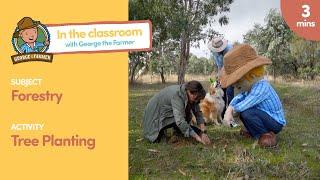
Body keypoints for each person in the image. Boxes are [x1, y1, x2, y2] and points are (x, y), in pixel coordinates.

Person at [220, 44, 286, 148]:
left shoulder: (261, 87)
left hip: (275, 122)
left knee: (247, 113)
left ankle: (266, 135)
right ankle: (254, 133)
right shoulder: (250, 86)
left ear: (250, 75)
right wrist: (230, 107)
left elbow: (245, 104)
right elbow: (240, 97)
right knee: (245, 113)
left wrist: (230, 111)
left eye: (237, 82)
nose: (235, 86)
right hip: (264, 116)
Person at [143, 80, 211, 145]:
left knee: (185, 111)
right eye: (196, 99)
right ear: (190, 93)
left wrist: (202, 131)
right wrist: (197, 137)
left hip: (165, 110)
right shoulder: (177, 96)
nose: (196, 101)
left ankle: (179, 131)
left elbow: (197, 111)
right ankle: (161, 132)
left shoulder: (189, 93)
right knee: (157, 139)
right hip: (153, 115)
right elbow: (180, 121)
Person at [208, 37, 234, 114]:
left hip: (230, 71)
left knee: (229, 92)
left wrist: (221, 74)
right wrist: (218, 76)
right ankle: (223, 113)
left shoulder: (229, 49)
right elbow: (219, 65)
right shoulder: (213, 51)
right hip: (222, 72)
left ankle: (230, 113)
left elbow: (228, 65)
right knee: (222, 92)